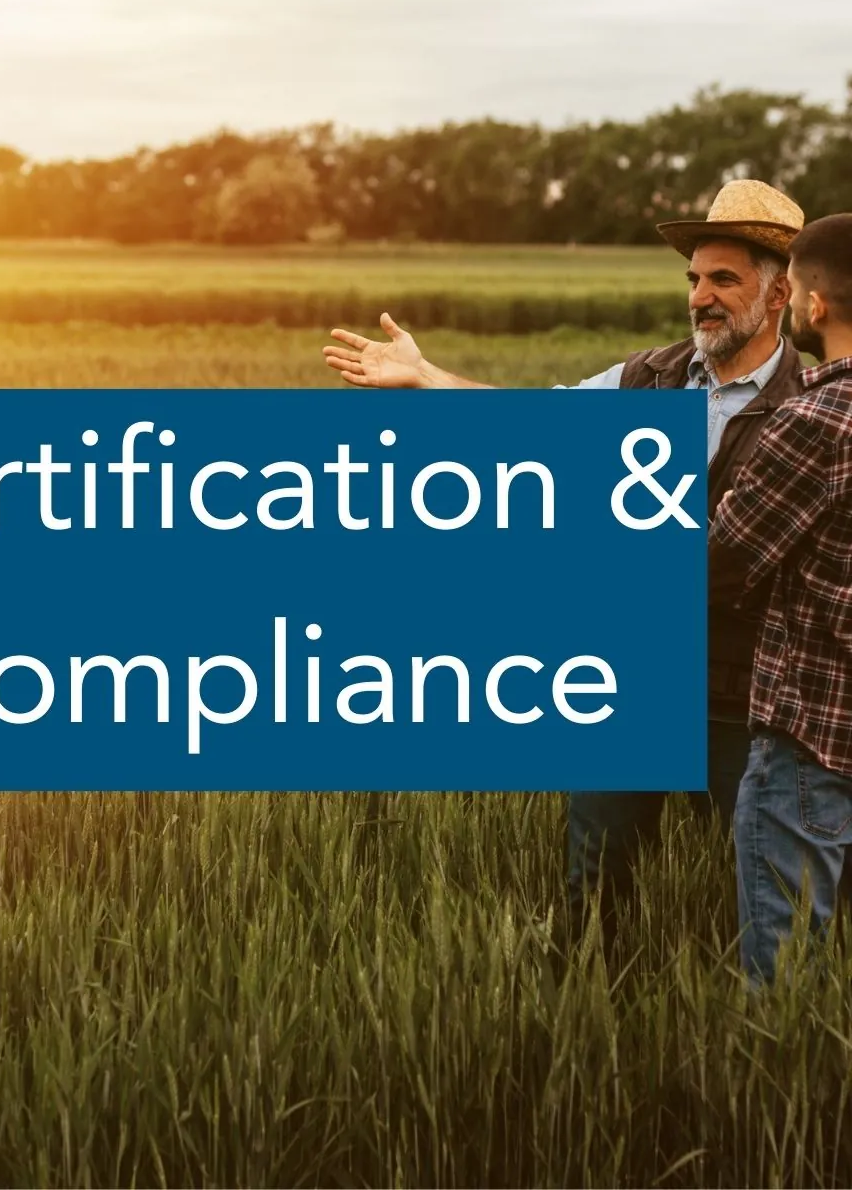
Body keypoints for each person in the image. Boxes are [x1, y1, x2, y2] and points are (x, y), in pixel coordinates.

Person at [321, 179, 807, 936]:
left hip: (740, 687)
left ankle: (745, 1021)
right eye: (693, 279)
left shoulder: (811, 404)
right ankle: (587, 991)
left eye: (723, 280)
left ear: (778, 297)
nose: (700, 297)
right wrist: (426, 378)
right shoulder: (648, 379)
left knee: (760, 881)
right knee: (595, 878)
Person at [710, 213, 852, 985]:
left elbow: (718, 560)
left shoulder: (818, 419)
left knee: (783, 984)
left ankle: (783, 1103)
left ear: (813, 306)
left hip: (810, 740)